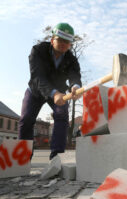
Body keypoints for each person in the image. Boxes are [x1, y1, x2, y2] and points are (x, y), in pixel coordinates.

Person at [18, 23, 82, 160]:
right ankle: (22, 158)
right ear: (52, 39)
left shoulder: (71, 59)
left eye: (67, 42)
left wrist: (75, 86)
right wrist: (54, 93)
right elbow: (37, 77)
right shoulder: (38, 50)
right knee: (26, 119)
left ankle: (56, 157)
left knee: (62, 115)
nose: (63, 44)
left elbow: (75, 75)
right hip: (36, 91)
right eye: (60, 40)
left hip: (59, 92)